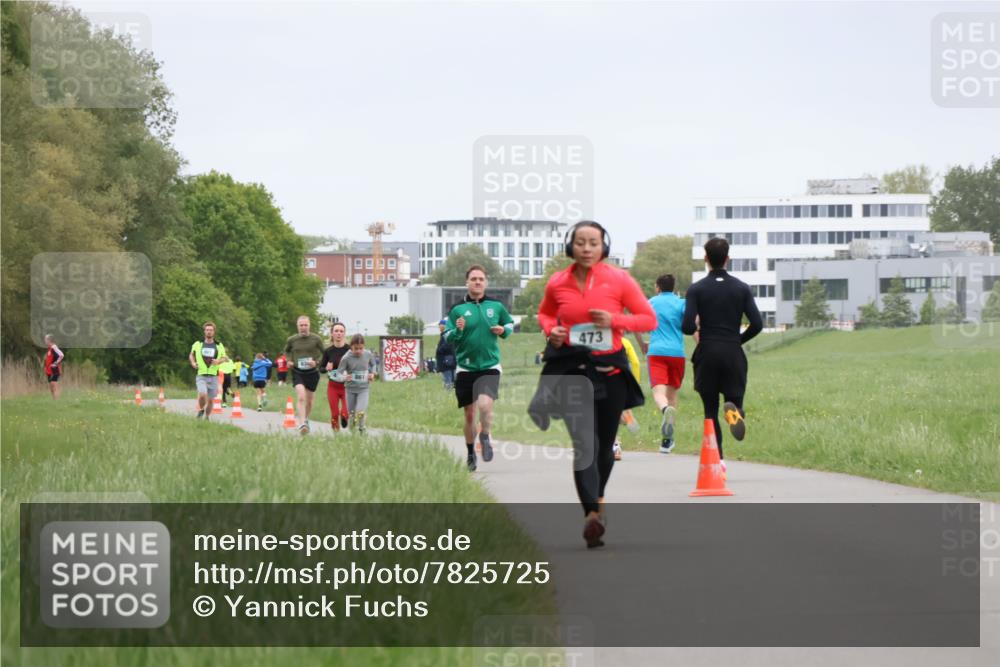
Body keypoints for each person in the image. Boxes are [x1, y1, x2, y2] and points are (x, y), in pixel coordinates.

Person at [530, 220, 655, 548]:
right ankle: (591, 516)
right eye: (581, 242)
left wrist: (616, 320)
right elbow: (544, 315)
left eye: (593, 243)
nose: (587, 248)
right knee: (585, 444)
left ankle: (597, 501)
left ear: (604, 247)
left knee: (605, 447)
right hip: (572, 369)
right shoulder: (557, 282)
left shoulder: (620, 280)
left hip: (611, 371)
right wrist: (551, 330)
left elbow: (647, 319)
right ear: (571, 246)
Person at [681, 238, 763, 475]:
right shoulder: (741, 288)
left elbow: (687, 327)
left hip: (707, 352)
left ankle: (719, 459)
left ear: (706, 259)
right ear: (728, 259)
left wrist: (697, 329)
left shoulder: (696, 289)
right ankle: (735, 411)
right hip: (732, 352)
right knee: (734, 398)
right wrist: (738, 340)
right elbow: (757, 324)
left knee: (709, 410)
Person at [444, 265, 515, 472]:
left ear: (486, 282)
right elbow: (447, 336)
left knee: (485, 406)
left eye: (481, 279)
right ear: (466, 282)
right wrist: (457, 330)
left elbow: (510, 324)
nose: (477, 282)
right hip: (465, 367)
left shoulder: (496, 305)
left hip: (490, 365)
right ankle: (470, 453)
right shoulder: (457, 309)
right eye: (473, 279)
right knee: (469, 414)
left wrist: (503, 330)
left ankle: (484, 435)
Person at [637, 273, 687, 454]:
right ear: (673, 287)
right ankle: (668, 441)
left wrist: (642, 343)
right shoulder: (681, 303)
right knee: (672, 394)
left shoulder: (650, 303)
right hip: (677, 353)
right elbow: (692, 323)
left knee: (659, 392)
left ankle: (665, 409)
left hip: (656, 352)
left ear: (658, 287)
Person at [283, 315, 326, 435]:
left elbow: (325, 354)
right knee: (301, 396)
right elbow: (286, 351)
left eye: (305, 325)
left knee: (310, 400)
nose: (303, 327)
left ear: (309, 326)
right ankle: (301, 423)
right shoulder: (292, 340)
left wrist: (316, 362)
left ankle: (306, 419)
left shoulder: (316, 339)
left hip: (312, 373)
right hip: (298, 372)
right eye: (301, 325)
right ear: (297, 326)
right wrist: (289, 360)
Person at [335, 333, 377, 433]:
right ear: (351, 347)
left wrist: (373, 373)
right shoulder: (346, 358)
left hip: (364, 389)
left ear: (364, 347)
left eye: (361, 348)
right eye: (355, 348)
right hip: (350, 389)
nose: (358, 351)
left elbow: (373, 364)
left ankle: (362, 428)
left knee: (360, 411)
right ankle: (352, 431)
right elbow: (338, 374)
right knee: (351, 413)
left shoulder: (367, 354)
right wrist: (344, 377)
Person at [189, 322, 229, 419]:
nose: (209, 332)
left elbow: (225, 358)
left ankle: (207, 417)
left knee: (211, 400)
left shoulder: (219, 345)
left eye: (211, 330)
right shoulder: (198, 344)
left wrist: (218, 361)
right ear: (204, 331)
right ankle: (201, 409)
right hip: (201, 375)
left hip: (214, 376)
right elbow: (191, 355)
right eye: (207, 330)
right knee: (202, 394)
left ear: (214, 332)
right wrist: (193, 363)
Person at [612, 336, 642, 461]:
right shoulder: (625, 341)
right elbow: (635, 362)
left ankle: (614, 446)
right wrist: (636, 382)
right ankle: (627, 416)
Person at [321, 322, 351, 431]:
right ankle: (336, 437)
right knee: (334, 414)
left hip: (347, 387)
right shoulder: (328, 351)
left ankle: (344, 419)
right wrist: (326, 368)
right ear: (332, 334)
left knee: (345, 413)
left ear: (344, 334)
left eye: (341, 331)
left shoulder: (350, 350)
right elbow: (321, 368)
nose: (339, 333)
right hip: (333, 387)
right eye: (336, 331)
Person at [435, 318, 457, 391]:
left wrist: (439, 349)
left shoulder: (446, 335)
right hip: (451, 360)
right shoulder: (449, 333)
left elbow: (447, 346)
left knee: (448, 379)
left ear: (444, 325)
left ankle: (448, 392)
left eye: (440, 325)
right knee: (452, 378)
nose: (439, 327)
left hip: (446, 361)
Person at [43, 334, 65, 400]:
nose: (45, 341)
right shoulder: (49, 349)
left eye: (45, 339)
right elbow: (49, 359)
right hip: (48, 370)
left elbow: (61, 355)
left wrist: (55, 363)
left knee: (53, 385)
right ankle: (54, 400)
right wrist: (45, 367)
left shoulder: (54, 347)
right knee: (51, 387)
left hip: (54, 369)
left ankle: (57, 400)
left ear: (49, 340)